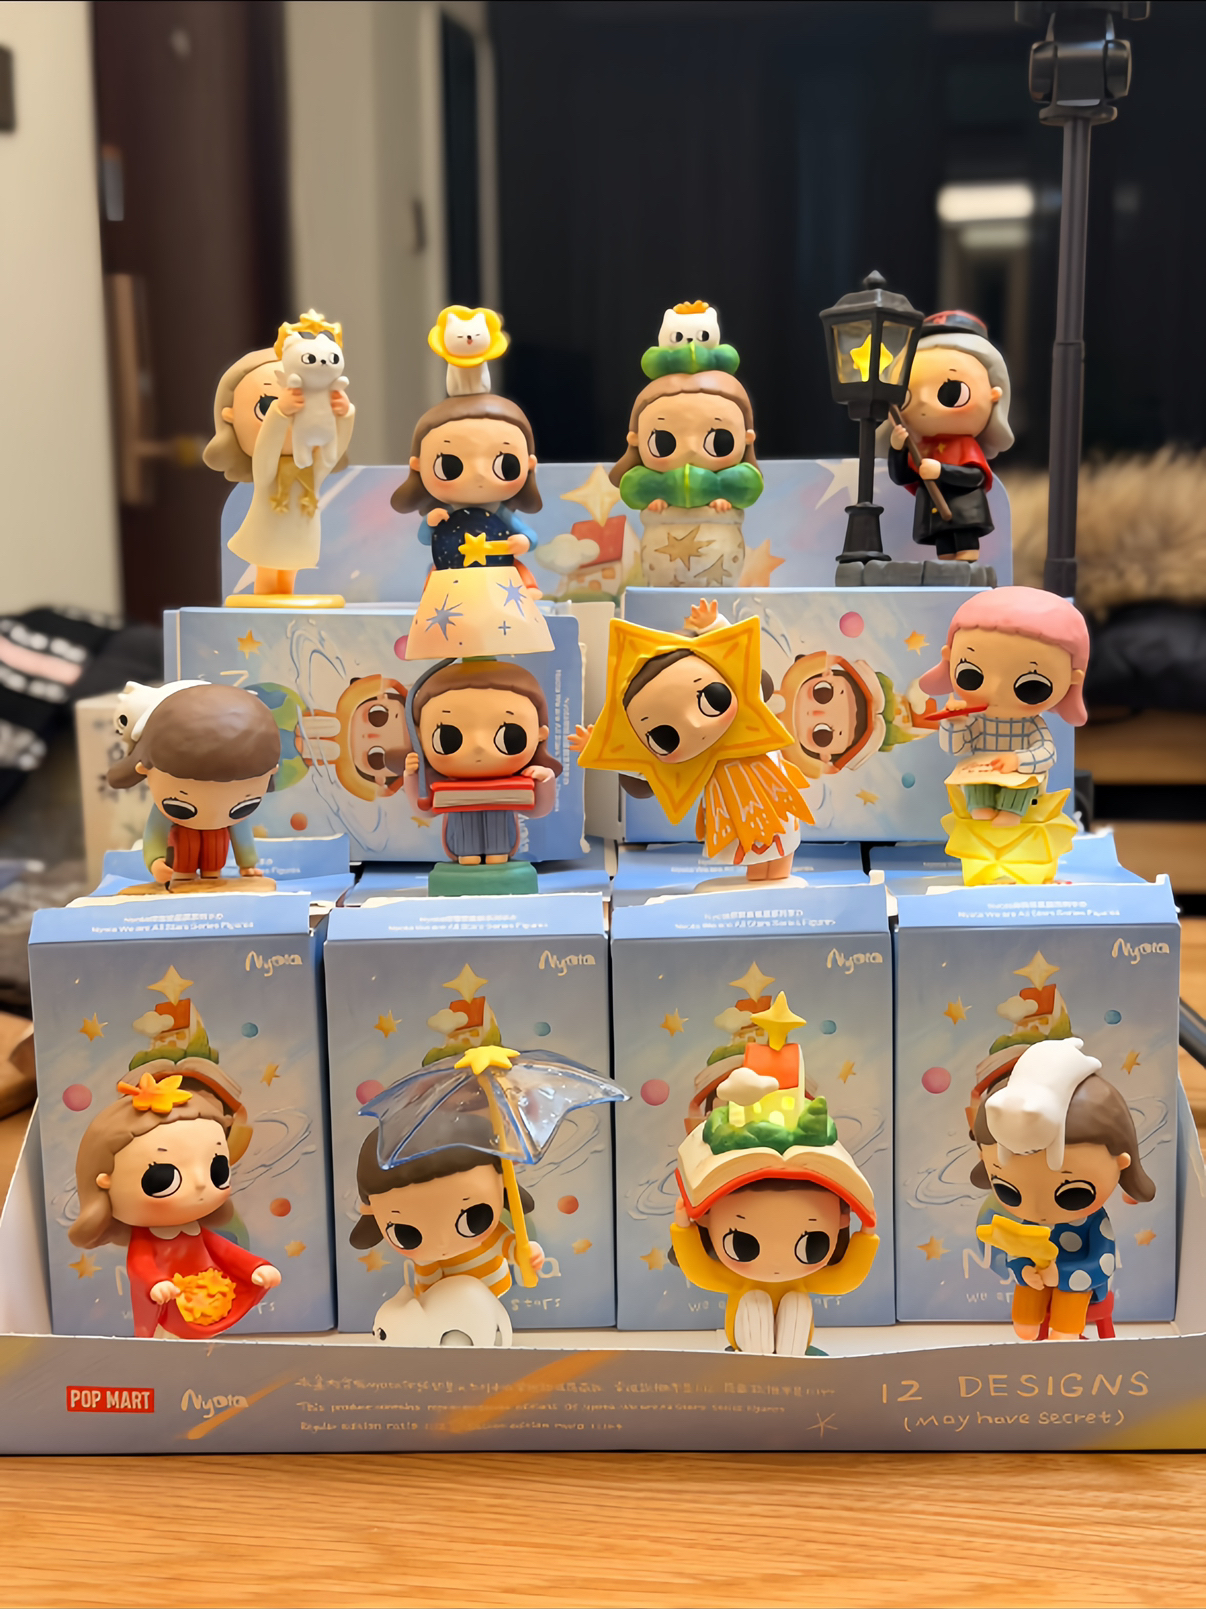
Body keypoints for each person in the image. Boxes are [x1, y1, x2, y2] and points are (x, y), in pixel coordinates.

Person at [69, 1068, 280, 1339]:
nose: (201, 1184)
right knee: (164, 1344)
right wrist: (155, 1284)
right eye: (163, 1178)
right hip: (165, 1308)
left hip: (209, 1301)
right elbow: (140, 1265)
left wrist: (256, 1267)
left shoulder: (196, 1231)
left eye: (217, 1170)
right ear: (104, 1181)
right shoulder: (146, 1239)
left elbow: (226, 1252)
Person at [203, 312, 355, 599]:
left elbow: (332, 454)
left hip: (301, 533)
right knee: (268, 574)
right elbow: (266, 450)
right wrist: (279, 412)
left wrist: (345, 415)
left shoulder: (311, 468)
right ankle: (268, 605)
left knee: (288, 575)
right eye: (266, 404)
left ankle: (280, 606)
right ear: (230, 416)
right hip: (268, 532)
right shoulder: (268, 471)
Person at [885, 309, 1012, 563]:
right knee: (944, 551)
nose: (924, 404)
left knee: (964, 548)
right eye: (907, 397)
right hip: (934, 514)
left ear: (993, 395)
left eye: (951, 392)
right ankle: (947, 572)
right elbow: (902, 476)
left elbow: (975, 477)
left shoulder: (964, 445)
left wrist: (941, 471)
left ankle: (965, 568)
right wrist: (897, 449)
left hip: (964, 511)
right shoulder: (922, 446)